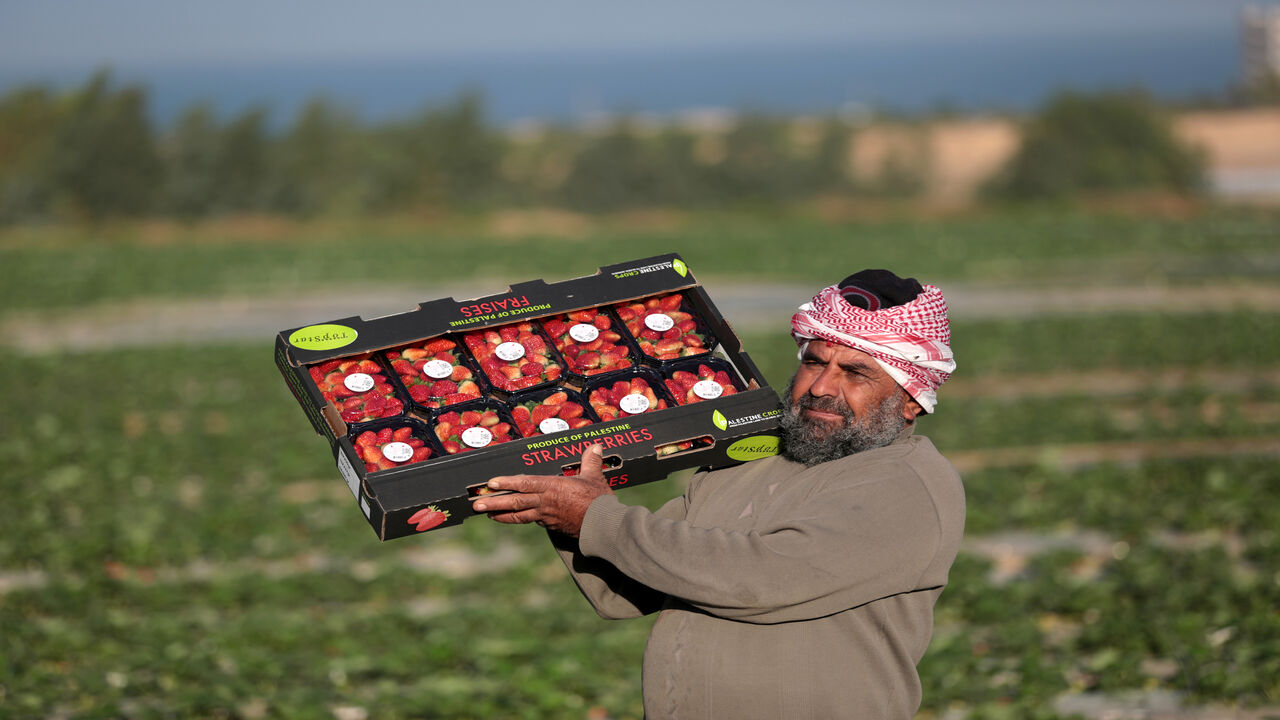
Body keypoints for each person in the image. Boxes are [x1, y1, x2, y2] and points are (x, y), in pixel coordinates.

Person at [472, 270, 964, 719]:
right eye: (814, 363)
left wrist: (593, 517)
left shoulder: (906, 485)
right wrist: (559, 506)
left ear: (911, 400)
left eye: (855, 373)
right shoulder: (750, 462)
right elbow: (626, 588)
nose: (820, 387)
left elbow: (762, 578)